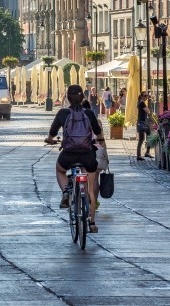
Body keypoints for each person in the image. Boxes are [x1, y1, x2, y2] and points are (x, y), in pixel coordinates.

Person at [45, 85, 103, 233]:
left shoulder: (63, 113)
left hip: (69, 154)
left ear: (67, 97)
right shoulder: (89, 114)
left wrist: (50, 139)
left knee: (60, 170)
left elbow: (52, 132)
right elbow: (98, 132)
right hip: (87, 155)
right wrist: (100, 140)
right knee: (90, 188)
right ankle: (92, 223)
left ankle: (65, 191)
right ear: (83, 97)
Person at [136, 92, 153, 161]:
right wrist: (148, 107)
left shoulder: (140, 103)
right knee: (148, 137)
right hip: (142, 123)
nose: (146, 97)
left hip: (141, 123)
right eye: (145, 96)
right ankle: (145, 153)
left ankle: (140, 155)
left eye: (147, 96)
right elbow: (148, 111)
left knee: (142, 139)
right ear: (142, 96)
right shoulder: (142, 103)